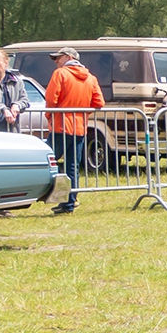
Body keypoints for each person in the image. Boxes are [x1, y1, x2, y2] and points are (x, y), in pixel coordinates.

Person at [44, 46, 105, 214]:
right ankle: (69, 203)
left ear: (68, 57)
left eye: (58, 58)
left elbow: (50, 99)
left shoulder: (60, 74)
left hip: (60, 126)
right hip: (79, 128)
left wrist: (50, 116)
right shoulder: (90, 78)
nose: (56, 61)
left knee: (47, 162)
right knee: (72, 167)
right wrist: (82, 111)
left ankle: (41, 194)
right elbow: (99, 103)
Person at [0, 49, 30, 133]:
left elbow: (25, 100)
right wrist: (3, 108)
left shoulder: (16, 81)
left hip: (12, 130)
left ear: (6, 63)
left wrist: (17, 105)